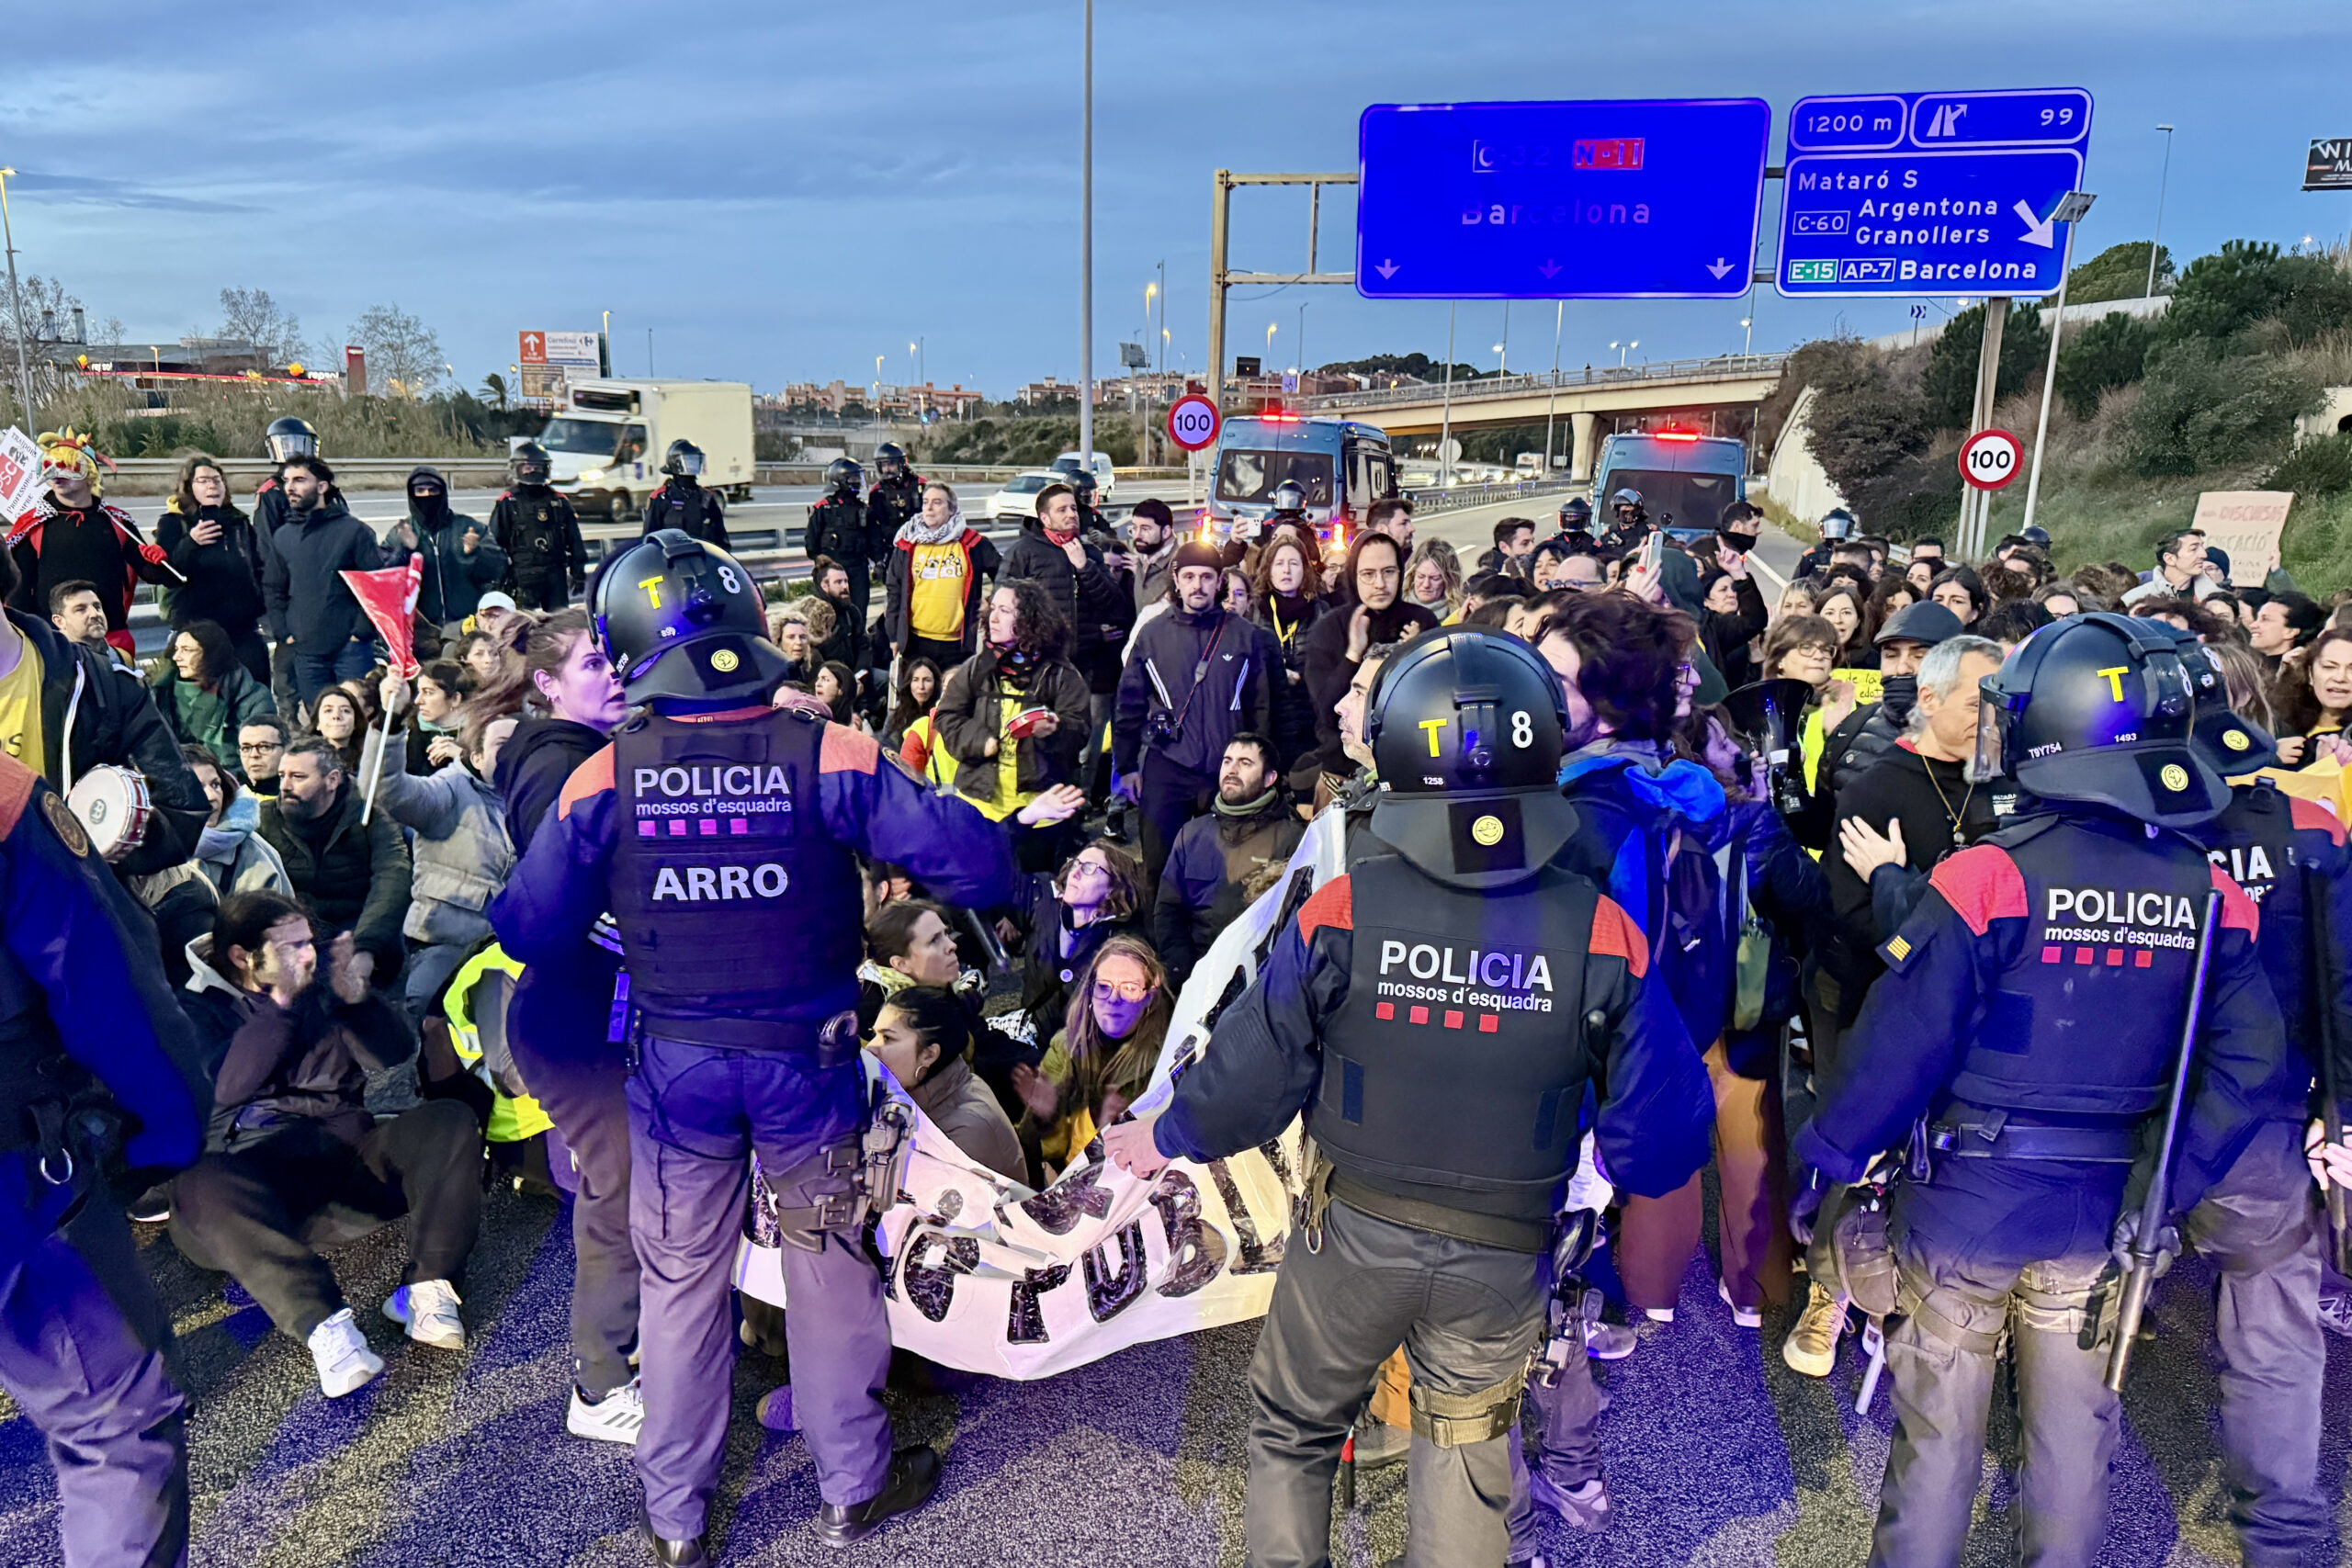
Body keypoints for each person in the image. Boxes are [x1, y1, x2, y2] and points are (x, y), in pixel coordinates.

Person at [490, 526, 1076, 1561]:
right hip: (808, 1061)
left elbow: (527, 927)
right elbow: (975, 863)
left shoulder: (605, 775)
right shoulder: (828, 749)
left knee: (681, 1279)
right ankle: (853, 1483)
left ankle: (676, 1518)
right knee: (826, 1263)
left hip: (674, 1067)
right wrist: (1017, 835)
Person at [1106, 625, 1713, 1568]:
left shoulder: (1343, 908)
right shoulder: (1600, 930)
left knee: (1293, 1428)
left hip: (1350, 1236)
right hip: (1504, 1250)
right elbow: (1663, 1140)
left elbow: (1250, 1077)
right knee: (1465, 1453)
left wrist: (1168, 1132)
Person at [1790, 612, 2283, 1568]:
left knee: (1938, 1438)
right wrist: (2167, 1186)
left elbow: (1905, 1039)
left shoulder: (1989, 876)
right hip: (2109, 1205)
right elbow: (2250, 1064)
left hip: (1967, 1197)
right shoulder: (2210, 889)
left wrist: (1835, 1156)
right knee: (2072, 1442)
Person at [0, 748, 207, 1568]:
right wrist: (164, 1132)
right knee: (112, 1423)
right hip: (17, 1171)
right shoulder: (5, 798)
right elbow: (102, 979)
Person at [172, 890, 485, 1393]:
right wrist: (279, 1008)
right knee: (197, 1184)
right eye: (290, 946)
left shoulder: (320, 988)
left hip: (343, 1167)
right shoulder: (192, 1007)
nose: (306, 955)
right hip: (258, 1197)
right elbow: (226, 1088)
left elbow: (394, 1053)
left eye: (307, 941)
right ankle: (327, 1329)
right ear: (242, 956)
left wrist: (358, 1003)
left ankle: (427, 1288)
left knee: (448, 1120)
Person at [0, 547, 209, 873]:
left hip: (72, 896)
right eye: (81, 608)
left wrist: (97, 853)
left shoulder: (104, 684)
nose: (93, 614)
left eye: (95, 606)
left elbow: (181, 812)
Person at [1113, 541, 1281, 877]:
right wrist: (1127, 766)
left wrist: (1265, 767)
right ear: (1176, 580)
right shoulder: (1153, 634)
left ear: (1219, 582)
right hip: (1168, 765)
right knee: (1159, 868)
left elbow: (1263, 707)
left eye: (1206, 577)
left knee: (1225, 871)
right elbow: (1128, 704)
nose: (1197, 585)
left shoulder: (1247, 636)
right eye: (1189, 576)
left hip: (1227, 769)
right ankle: (1160, 915)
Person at [366, 675, 516, 1021]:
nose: (515, 753)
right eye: (503, 744)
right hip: (446, 940)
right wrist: (390, 723)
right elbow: (389, 791)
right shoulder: (449, 789)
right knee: (428, 1004)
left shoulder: (538, 796)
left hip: (511, 944)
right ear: (476, 756)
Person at [933, 581, 1091, 845]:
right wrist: (980, 740)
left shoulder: (1060, 673)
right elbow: (946, 715)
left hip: (1042, 808)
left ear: (1030, 620)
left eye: (1005, 611)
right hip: (980, 804)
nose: (993, 618)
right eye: (992, 608)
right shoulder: (977, 667)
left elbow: (1081, 729)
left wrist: (1054, 730)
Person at [999, 480, 1134, 779]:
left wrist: (1084, 567)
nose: (1072, 514)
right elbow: (1002, 606)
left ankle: (1075, 797)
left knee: (1074, 741)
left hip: (1080, 667)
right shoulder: (1023, 553)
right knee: (1034, 739)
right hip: (1035, 667)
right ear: (1045, 518)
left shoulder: (1089, 553)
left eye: (1073, 508)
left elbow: (1113, 605)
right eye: (1062, 510)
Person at [254, 735, 411, 987]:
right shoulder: (265, 820)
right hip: (292, 933)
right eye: (282, 775)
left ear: (332, 780)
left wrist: (365, 947)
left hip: (357, 928)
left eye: (298, 777)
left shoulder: (369, 818)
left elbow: (393, 879)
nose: (285, 786)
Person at [6, 429, 173, 661]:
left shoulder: (117, 522)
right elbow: (18, 590)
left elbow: (154, 573)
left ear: (89, 473)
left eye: (66, 466)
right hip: (55, 642)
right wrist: (27, 640)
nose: (56, 474)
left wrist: (161, 557)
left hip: (110, 638)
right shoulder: (35, 524)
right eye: (49, 466)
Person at [1150, 732, 1303, 987]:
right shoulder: (1192, 833)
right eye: (1227, 761)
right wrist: (1183, 974)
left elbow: (1295, 923)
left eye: (1245, 763)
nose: (1232, 770)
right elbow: (1168, 909)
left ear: (1269, 778)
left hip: (1261, 980)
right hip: (1197, 975)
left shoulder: (1293, 837)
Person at [1295, 531, 1439, 799]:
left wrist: (1418, 655)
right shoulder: (1330, 628)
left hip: (1409, 774)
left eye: (1389, 572)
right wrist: (1353, 654)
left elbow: (1436, 703)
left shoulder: (1421, 622)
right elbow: (1327, 711)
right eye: (1368, 574)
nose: (1380, 584)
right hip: (1343, 775)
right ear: (1353, 575)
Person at [1023, 935, 1170, 1171]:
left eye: (1129, 988)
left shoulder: (1167, 1057)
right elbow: (1031, 1142)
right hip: (1069, 1176)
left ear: (1150, 997)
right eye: (1103, 987)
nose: (1113, 999)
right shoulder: (1065, 1046)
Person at [864, 987, 1025, 1184]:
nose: (870, 1048)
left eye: (887, 1038)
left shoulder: (964, 1132)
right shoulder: (937, 1087)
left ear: (929, 1054)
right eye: (874, 1034)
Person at [265, 456, 383, 709]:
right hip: (305, 650)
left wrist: (361, 632)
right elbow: (274, 587)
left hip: (350, 648)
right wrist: (283, 631)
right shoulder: (283, 535)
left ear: (322, 486)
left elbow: (375, 584)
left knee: (360, 715)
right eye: (286, 481)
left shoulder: (353, 531)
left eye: (299, 480)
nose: (290, 488)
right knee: (319, 721)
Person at [1017, 837, 1148, 1048]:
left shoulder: (1124, 942)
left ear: (1112, 888)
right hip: (1027, 1036)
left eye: (1089, 868)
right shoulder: (1044, 904)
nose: (1075, 873)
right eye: (1075, 863)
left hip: (1081, 1050)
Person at [157, 454, 271, 681]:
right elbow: (165, 574)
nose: (212, 486)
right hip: (197, 629)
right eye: (203, 481)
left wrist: (262, 607)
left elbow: (257, 566)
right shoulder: (173, 523)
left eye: (217, 480)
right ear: (189, 487)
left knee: (255, 691)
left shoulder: (238, 522)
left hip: (243, 628)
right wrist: (191, 542)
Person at [884, 480, 1001, 670]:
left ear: (952, 509)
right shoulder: (907, 544)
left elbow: (1005, 575)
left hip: (957, 646)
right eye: (925, 502)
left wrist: (992, 602)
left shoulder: (973, 544)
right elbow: (894, 591)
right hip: (915, 643)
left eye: (937, 502)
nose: (929, 508)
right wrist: (893, 636)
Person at [151, 619, 277, 775]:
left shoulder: (253, 697)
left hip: (234, 779)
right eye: (176, 649)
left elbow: (263, 756)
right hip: (179, 777)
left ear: (211, 655)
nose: (177, 657)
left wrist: (224, 780)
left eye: (187, 650)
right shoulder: (162, 696)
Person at [386, 467, 504, 629]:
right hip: (420, 626)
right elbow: (385, 578)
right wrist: (405, 550)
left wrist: (476, 552)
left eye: (433, 490)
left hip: (466, 623)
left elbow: (498, 569)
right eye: (420, 491)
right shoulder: (402, 532)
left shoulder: (468, 527)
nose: (427, 496)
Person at [1250, 534, 1329, 769]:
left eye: (1294, 563)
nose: (1286, 570)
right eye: (1279, 563)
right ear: (1268, 570)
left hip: (1310, 719)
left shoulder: (1321, 611)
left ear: (1305, 570)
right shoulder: (1255, 611)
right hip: (1269, 718)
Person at [181, 744, 291, 897]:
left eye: (215, 785)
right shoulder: (150, 847)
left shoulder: (253, 852)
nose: (212, 796)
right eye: (196, 788)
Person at [491, 442, 588, 612]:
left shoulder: (558, 501)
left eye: (537, 467)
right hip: (523, 573)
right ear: (517, 469)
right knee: (525, 622)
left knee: (559, 620)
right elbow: (495, 543)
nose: (533, 472)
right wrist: (500, 576)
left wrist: (578, 571)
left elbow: (574, 539)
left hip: (555, 573)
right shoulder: (508, 502)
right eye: (528, 468)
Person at [2270, 626, 2352, 769]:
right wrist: (2268, 757)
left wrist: (2325, 769)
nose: (2340, 678)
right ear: (2310, 674)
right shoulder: (2277, 723)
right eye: (2329, 667)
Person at [806, 458, 876, 620]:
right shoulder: (823, 508)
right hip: (832, 570)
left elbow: (874, 540)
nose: (857, 482)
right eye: (853, 478)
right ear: (839, 480)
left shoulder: (864, 509)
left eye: (858, 477)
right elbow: (811, 543)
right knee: (830, 615)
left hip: (859, 568)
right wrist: (821, 562)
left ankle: (858, 636)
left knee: (859, 612)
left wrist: (879, 562)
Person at [642, 440, 729, 547]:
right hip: (671, 556)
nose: (693, 465)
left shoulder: (706, 498)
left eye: (695, 461)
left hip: (700, 556)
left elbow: (722, 542)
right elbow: (649, 540)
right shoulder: (662, 498)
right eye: (689, 461)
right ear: (676, 462)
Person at [2122, 526, 2223, 606]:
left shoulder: (2219, 598)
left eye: (2202, 547)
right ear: (2170, 559)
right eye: (2193, 549)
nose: (2204, 555)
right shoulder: (2135, 600)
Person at [1124, 497, 1181, 613]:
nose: (1137, 535)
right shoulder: (1141, 561)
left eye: (1145, 529)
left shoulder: (1179, 566)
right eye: (1134, 528)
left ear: (1166, 532)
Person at [2248, 589, 2324, 674]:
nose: (2253, 625)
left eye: (2265, 619)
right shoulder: (2252, 665)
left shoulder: (2294, 674)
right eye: (2257, 618)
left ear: (2290, 632)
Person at [866, 440, 925, 544]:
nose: (887, 469)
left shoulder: (920, 484)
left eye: (891, 464)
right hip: (891, 544)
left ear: (901, 464)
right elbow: (874, 526)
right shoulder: (877, 491)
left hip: (918, 541)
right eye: (883, 465)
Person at [311, 686, 367, 775]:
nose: (336, 716)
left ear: (356, 722)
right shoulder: (303, 758)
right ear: (318, 723)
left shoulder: (368, 758)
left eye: (345, 711)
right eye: (328, 710)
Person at [1405, 539, 1464, 621]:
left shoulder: (1459, 615)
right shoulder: (1395, 607)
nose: (1426, 585)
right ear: (1412, 575)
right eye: (1421, 576)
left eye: (1435, 578)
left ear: (1448, 580)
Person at [48, 581, 113, 652]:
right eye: (81, 609)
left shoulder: (120, 656)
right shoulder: (49, 657)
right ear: (59, 622)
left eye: (97, 607)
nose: (95, 614)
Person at [1478, 515, 1537, 581]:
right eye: (1525, 543)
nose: (1533, 548)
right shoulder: (1489, 582)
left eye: (1532, 542)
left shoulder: (1524, 569)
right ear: (1503, 547)